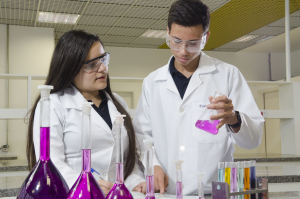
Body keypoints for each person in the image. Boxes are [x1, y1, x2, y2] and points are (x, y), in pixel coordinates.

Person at [133, 0, 264, 195]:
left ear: (206, 37)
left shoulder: (228, 75)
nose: (183, 51)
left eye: (192, 43)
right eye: (176, 41)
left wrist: (235, 119)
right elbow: (142, 135)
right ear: (167, 32)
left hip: (214, 191)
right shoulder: (153, 82)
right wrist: (152, 164)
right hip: (165, 191)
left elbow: (253, 140)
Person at [26, 30, 146, 195]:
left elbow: (127, 158)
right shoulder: (54, 104)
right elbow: (52, 162)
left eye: (103, 59)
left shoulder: (117, 103)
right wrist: (89, 187)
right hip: (75, 194)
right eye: (91, 64)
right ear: (70, 68)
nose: (103, 68)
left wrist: (137, 181)